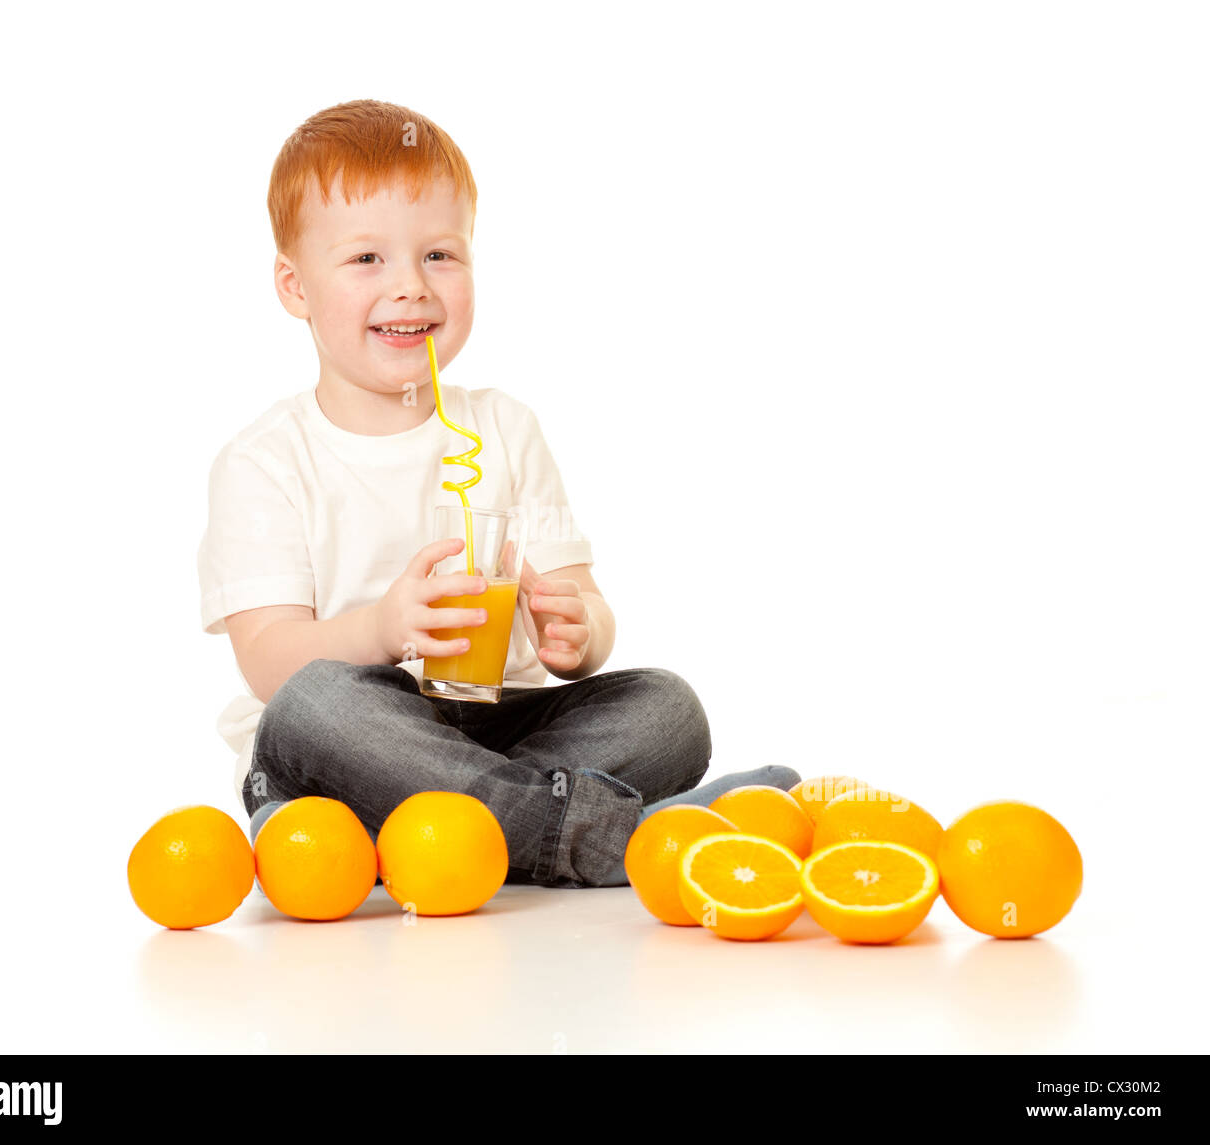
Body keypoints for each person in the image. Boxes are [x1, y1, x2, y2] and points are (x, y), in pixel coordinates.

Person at [197, 99, 798, 889]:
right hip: (347, 744)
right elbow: (271, 663)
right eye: (367, 259)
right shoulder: (265, 461)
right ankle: (614, 836)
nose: (411, 287)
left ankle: (451, 829)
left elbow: (586, 608)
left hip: (494, 730)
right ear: (294, 285)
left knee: (667, 709)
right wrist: (382, 629)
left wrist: (578, 633)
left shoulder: (506, 429)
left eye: (440, 255)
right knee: (314, 704)